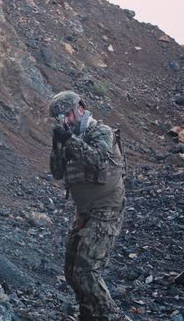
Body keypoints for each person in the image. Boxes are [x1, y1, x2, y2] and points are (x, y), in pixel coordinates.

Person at [48, 91, 127, 320]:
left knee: (87, 272)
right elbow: (57, 171)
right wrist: (57, 145)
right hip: (84, 213)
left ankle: (113, 316)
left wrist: (68, 140)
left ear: (79, 109)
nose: (66, 121)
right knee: (72, 272)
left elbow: (98, 159)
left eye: (68, 115)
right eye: (60, 118)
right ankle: (89, 315)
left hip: (106, 211)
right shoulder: (69, 136)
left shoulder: (100, 131)